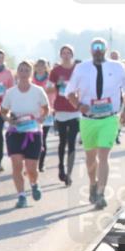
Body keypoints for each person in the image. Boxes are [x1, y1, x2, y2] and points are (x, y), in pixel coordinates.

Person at [65, 37, 125, 209]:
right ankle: (93, 184)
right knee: (90, 160)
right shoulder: (82, 68)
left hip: (109, 118)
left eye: (101, 47)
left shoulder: (117, 67)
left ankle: (101, 194)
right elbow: (69, 92)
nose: (98, 50)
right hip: (89, 120)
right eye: (95, 47)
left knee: (103, 156)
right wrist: (79, 105)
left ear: (105, 49)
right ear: (90, 50)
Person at [2, 60, 49, 208]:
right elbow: (3, 112)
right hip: (15, 132)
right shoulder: (10, 93)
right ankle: (21, 196)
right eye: (21, 70)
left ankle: (34, 183)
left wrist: (42, 117)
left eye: (26, 70)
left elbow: (46, 108)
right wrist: (9, 119)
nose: (23, 73)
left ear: (31, 73)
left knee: (31, 168)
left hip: (33, 132)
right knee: (16, 165)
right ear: (17, 73)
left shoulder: (38, 91)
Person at [49, 45, 81, 186]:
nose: (66, 55)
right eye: (64, 53)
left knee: (72, 143)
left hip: (75, 110)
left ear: (72, 55)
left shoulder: (78, 69)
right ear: (60, 55)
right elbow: (48, 88)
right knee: (63, 141)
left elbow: (84, 85)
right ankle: (61, 167)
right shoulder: (56, 71)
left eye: (69, 53)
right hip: (61, 110)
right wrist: (58, 86)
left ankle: (69, 173)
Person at [32, 58, 55, 172]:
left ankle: (41, 163)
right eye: (38, 66)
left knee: (43, 139)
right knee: (34, 139)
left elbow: (53, 93)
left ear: (46, 67)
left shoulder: (50, 80)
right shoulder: (31, 79)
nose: (40, 68)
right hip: (33, 112)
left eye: (43, 66)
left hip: (46, 112)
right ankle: (33, 161)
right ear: (35, 67)